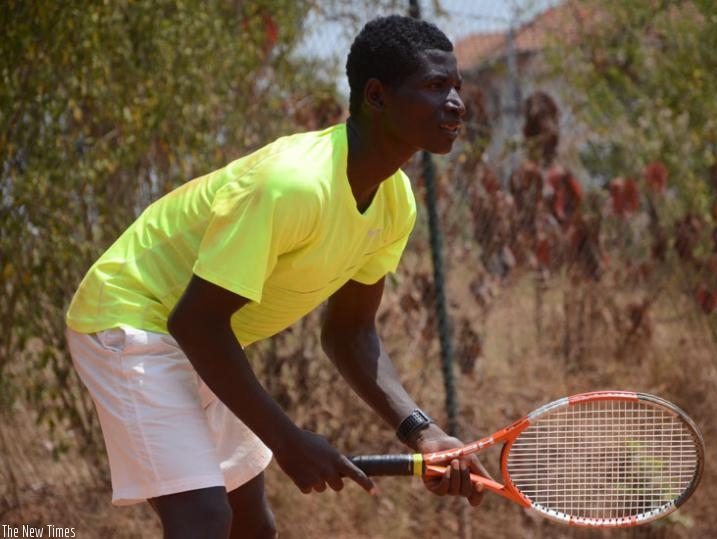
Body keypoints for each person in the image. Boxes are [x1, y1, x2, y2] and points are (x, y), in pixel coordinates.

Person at [64, 14, 486, 539]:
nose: (455, 102)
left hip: (199, 337)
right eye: (434, 85)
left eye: (456, 87)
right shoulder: (294, 184)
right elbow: (196, 322)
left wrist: (422, 432)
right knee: (203, 520)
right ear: (376, 97)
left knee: (251, 527)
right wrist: (287, 440)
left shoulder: (396, 202)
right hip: (127, 316)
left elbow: (350, 333)